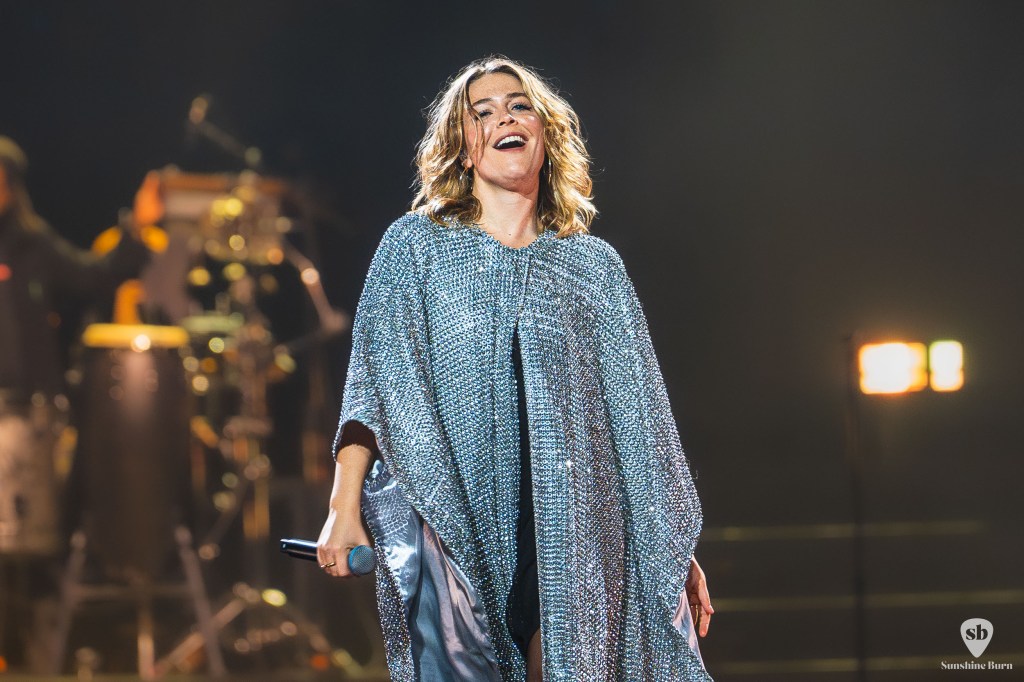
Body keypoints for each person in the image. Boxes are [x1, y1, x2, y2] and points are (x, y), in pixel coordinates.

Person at [316, 57, 713, 681]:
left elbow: (642, 420)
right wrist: (343, 509)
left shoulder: (593, 266)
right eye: (482, 112)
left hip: (578, 536)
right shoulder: (414, 249)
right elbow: (371, 389)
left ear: (546, 133)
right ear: (463, 147)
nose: (503, 115)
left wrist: (670, 550)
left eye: (518, 105)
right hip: (458, 524)